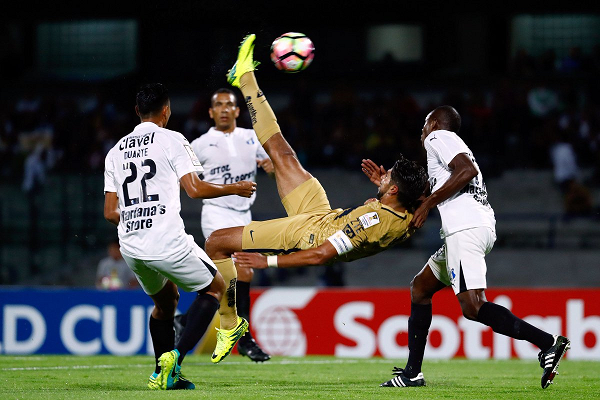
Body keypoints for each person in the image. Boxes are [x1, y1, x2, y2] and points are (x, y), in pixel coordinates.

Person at [203, 34, 427, 365]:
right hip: (322, 213)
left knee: (216, 243)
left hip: (308, 233)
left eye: (389, 178)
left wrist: (269, 261)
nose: (385, 176)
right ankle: (244, 77)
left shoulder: (375, 222)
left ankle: (229, 322)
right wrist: (386, 190)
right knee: (281, 151)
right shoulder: (405, 212)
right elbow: (400, 205)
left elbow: (321, 254)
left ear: (395, 192)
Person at [377, 105, 570, 389]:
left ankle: (548, 343)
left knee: (473, 306)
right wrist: (387, 187)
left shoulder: (437, 138)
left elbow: (467, 170)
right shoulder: (445, 156)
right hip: (470, 227)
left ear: (434, 123)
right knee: (420, 288)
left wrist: (429, 204)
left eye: (425, 123)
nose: (422, 130)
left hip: (465, 229)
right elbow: (439, 190)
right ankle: (412, 373)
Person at [103, 83, 256, 390]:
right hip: (165, 238)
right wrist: (234, 188)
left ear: (137, 111)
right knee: (215, 288)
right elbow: (195, 189)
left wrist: (137, 217)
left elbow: (110, 212)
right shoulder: (172, 139)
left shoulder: (115, 151)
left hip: (131, 243)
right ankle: (176, 356)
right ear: (167, 110)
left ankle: (163, 375)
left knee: (166, 302)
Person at [173, 88, 273, 362]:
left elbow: (275, 165)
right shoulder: (200, 144)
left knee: (226, 280)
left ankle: (187, 319)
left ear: (238, 111)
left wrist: (270, 166)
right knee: (244, 270)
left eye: (230, 104)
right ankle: (247, 340)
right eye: (219, 105)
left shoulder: (252, 138)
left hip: (243, 214)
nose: (225, 109)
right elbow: (190, 182)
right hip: (216, 214)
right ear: (211, 111)